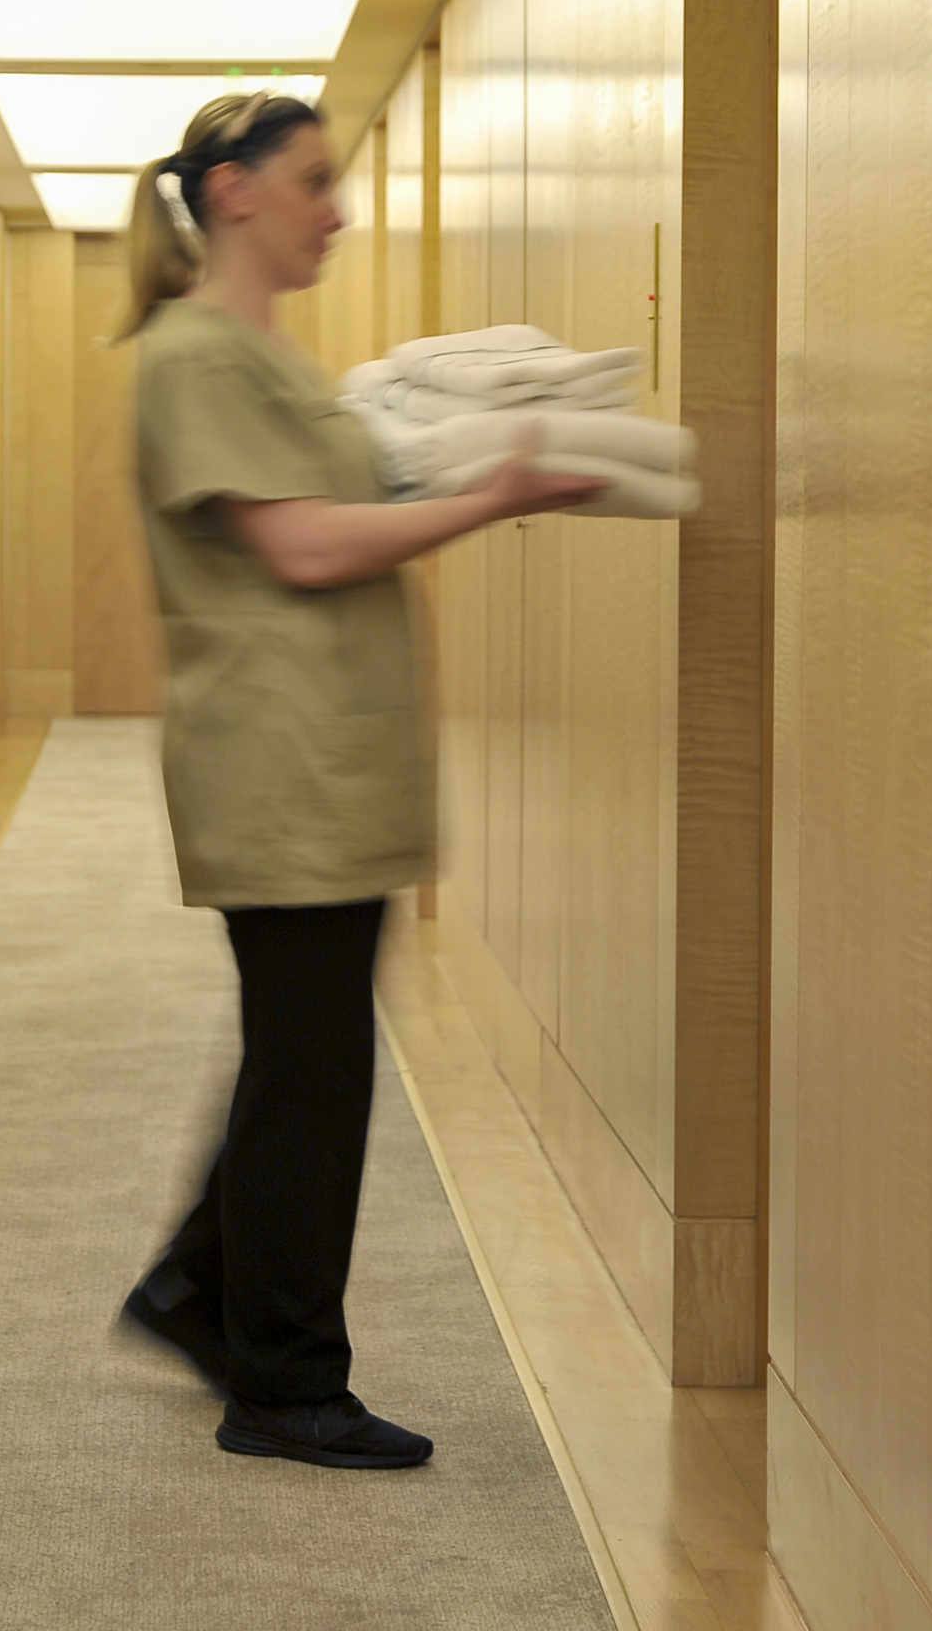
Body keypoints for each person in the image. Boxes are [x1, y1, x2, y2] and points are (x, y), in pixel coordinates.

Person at [111, 90, 597, 1470]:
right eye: (315, 182)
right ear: (232, 195)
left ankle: (199, 1290)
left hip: (331, 760)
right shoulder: (197, 354)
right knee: (313, 1076)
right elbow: (306, 547)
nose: (338, 210)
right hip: (284, 768)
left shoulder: (271, 358)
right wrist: (492, 497)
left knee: (304, 1059)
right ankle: (282, 1384)